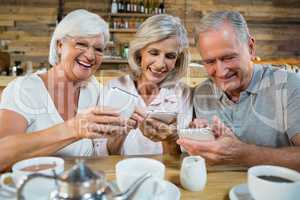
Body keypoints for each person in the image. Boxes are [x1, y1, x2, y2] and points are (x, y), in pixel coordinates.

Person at [0, 9, 137, 172]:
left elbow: (103, 152)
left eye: (98, 49)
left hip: (80, 187)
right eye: (81, 44)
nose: (91, 56)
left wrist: (121, 132)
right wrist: (74, 128)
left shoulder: (96, 90)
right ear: (59, 45)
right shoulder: (24, 89)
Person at [177, 11, 300, 170]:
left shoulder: (289, 85)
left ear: (250, 48)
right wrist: (197, 136)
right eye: (209, 61)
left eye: (228, 57)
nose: (221, 72)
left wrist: (243, 154)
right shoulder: (201, 93)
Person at [103, 14, 193, 155]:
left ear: (177, 60)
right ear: (140, 53)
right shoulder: (114, 88)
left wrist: (169, 139)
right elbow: (105, 154)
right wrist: (124, 129)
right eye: (154, 53)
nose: (160, 64)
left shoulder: (183, 93)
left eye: (170, 56)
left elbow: (181, 157)